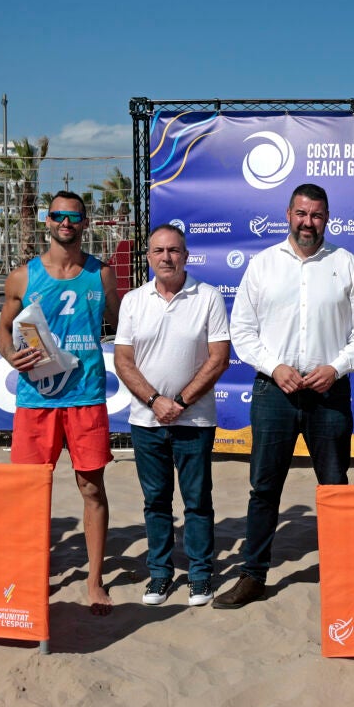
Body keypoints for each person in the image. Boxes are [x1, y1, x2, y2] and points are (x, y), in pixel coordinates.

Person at [218, 184, 354, 608]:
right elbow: (243, 331)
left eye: (317, 215)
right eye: (302, 214)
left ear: (328, 218)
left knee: (335, 486)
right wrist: (275, 367)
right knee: (264, 487)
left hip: (329, 392)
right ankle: (253, 575)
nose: (309, 223)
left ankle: (342, 572)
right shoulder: (263, 264)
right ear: (288, 214)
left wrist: (336, 368)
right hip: (275, 392)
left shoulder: (345, 264)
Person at [0, 191, 120, 614]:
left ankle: (94, 580)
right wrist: (10, 356)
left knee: (92, 488)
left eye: (74, 216)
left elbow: (123, 325)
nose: (66, 222)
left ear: (85, 222)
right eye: (58, 215)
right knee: (30, 492)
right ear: (46, 221)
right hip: (37, 398)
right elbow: (4, 331)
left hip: (85, 395)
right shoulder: (23, 276)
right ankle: (31, 575)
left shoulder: (102, 274)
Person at [114, 225, 230, 608]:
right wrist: (155, 401)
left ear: (186, 255)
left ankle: (200, 575)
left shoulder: (208, 297)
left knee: (197, 501)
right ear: (148, 257)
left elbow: (219, 359)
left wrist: (178, 402)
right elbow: (123, 361)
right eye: (159, 251)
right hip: (146, 421)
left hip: (194, 421)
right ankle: (160, 574)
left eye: (174, 250)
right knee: (156, 502)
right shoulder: (133, 300)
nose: (167, 257)